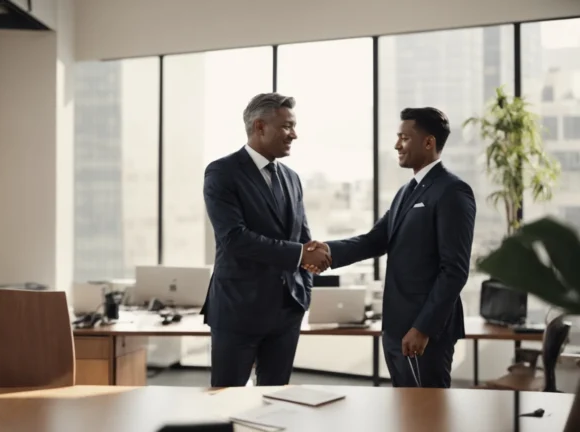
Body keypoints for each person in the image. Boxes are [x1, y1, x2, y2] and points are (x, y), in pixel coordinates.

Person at [306, 107, 476, 388]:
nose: (397, 145)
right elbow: (375, 240)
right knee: (405, 413)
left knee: (428, 417)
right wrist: (326, 250)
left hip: (424, 333)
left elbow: (455, 270)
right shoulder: (407, 191)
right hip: (396, 330)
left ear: (429, 142)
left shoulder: (452, 191)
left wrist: (423, 328)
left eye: (404, 138)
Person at [201, 92, 331, 387]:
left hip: (287, 311)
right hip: (239, 311)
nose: (294, 135)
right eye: (287, 126)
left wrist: (303, 290)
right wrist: (301, 255)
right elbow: (235, 238)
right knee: (226, 398)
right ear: (259, 127)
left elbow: (303, 238)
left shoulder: (293, 177)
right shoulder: (222, 172)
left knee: (276, 400)